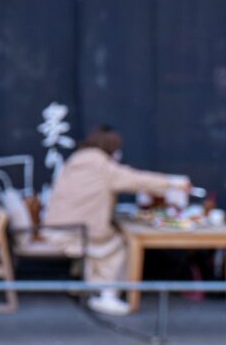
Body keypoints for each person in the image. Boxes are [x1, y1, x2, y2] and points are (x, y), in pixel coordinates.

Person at [46, 125, 190, 317]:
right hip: (75, 231)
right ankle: (106, 294)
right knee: (117, 246)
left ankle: (91, 286)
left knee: (108, 240)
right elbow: (135, 180)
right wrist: (172, 183)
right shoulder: (100, 166)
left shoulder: (76, 161)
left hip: (57, 226)